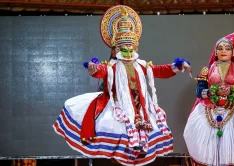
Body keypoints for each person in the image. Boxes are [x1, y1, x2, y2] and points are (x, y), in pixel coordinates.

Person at [53, 5, 191, 166]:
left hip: (140, 107)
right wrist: (93, 68)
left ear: (135, 48)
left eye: (130, 48)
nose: (127, 51)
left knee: (146, 131)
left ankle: (139, 150)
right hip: (118, 107)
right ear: (116, 49)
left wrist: (179, 65)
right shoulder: (111, 66)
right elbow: (100, 71)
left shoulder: (141, 65)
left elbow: (159, 71)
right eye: (123, 48)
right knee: (117, 138)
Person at [183, 33, 234, 166]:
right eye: (220, 48)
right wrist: (212, 91)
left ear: (233, 52)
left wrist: (232, 91)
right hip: (210, 109)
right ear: (215, 52)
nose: (223, 51)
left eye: (227, 48)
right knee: (202, 143)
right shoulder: (207, 69)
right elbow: (199, 92)